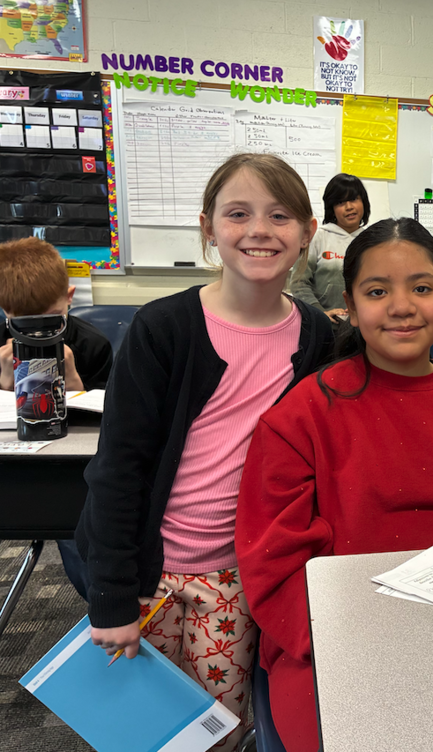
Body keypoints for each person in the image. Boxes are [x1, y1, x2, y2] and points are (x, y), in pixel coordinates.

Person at [236, 217, 433, 752]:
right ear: (352, 307)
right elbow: (274, 559)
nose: (402, 306)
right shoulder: (301, 417)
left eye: (422, 288)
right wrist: (353, 643)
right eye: (378, 291)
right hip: (336, 645)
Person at [75, 153, 335, 750]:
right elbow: (118, 469)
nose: (259, 230)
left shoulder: (315, 335)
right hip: (147, 573)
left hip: (237, 576)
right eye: (237, 213)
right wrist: (112, 594)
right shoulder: (164, 327)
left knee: (216, 731)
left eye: (280, 215)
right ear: (208, 228)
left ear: (306, 232)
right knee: (135, 731)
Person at [0, 237, 112, 392]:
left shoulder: (94, 345)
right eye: (23, 325)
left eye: (52, 319)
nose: (38, 333)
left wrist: (73, 381)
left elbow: (106, 408)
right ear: (4, 309)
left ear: (69, 296)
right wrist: (4, 386)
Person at [288, 172, 370, 325]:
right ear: (332, 208)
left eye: (353, 199)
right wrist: (320, 313)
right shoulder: (318, 237)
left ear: (363, 202)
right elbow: (299, 282)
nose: (349, 207)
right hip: (324, 324)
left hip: (363, 324)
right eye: (340, 202)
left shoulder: (372, 241)